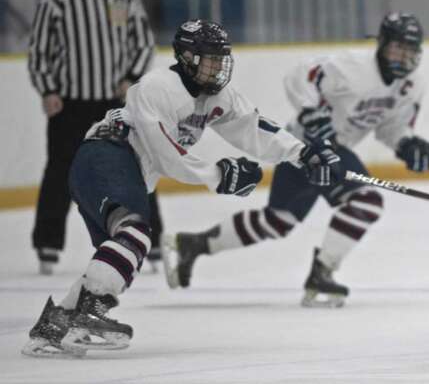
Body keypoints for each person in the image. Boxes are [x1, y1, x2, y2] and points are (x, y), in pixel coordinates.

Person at [21, 20, 343, 358]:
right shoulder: (157, 88)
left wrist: (302, 153)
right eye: (210, 59)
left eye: (222, 59)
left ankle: (53, 328)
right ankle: (86, 315)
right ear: (187, 57)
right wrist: (220, 175)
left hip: (124, 170)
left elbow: (255, 128)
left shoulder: (218, 97)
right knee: (135, 234)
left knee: (125, 251)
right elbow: (167, 156)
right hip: (105, 157)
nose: (218, 67)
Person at [164, 12, 429, 307]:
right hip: (308, 145)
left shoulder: (412, 85)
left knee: (277, 221)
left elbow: (391, 127)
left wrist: (407, 143)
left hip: (324, 150)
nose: (402, 57)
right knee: (365, 201)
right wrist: (311, 111)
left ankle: (193, 244)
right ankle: (322, 274)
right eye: (397, 47)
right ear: (381, 44)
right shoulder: (351, 66)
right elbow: (298, 74)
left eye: (409, 51)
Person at [27, 0, 165, 275]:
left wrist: (131, 78)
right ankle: (48, 241)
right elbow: (39, 53)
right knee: (61, 170)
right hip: (70, 105)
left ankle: (153, 237)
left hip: (113, 104)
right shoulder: (55, 3)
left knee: (135, 167)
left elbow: (144, 44)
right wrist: (48, 90)